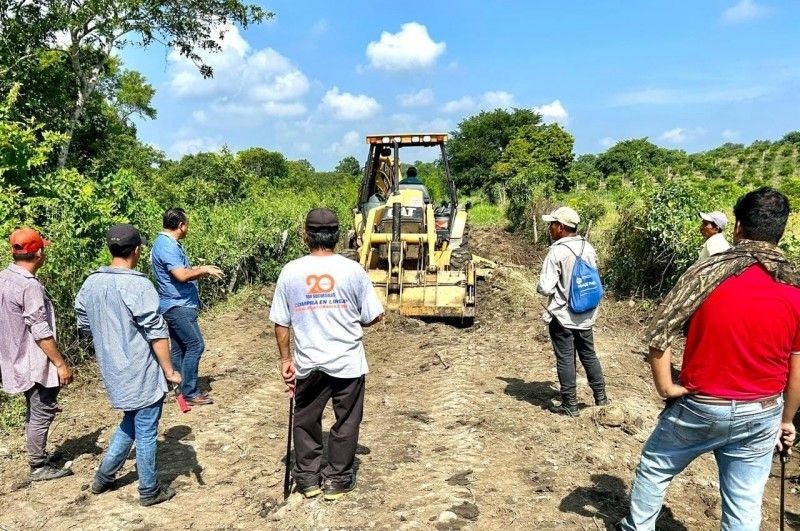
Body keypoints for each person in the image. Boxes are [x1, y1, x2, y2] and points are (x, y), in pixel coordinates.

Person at [619, 187, 800, 530]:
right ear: (780, 231)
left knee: (655, 467)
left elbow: (660, 333)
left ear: (738, 228)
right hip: (762, 411)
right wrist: (787, 419)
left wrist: (666, 387)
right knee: (745, 499)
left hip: (700, 404)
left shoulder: (706, 273)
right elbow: (797, 362)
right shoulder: (794, 283)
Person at [270, 208, 384, 501]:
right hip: (347, 361)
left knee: (306, 421)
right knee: (346, 421)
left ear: (306, 235)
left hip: (308, 363)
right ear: (336, 235)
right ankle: (337, 479)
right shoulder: (353, 270)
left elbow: (281, 323)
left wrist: (286, 360)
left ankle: (307, 480)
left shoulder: (290, 272)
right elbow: (374, 316)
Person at [75, 223, 182, 507]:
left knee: (131, 421)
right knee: (146, 428)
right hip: (140, 369)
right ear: (136, 250)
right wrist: (170, 370)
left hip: (113, 368)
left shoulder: (91, 283)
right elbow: (156, 332)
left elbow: (84, 323)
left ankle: (104, 477)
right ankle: (149, 490)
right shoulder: (137, 284)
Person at [0, 228, 74, 481]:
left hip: (13, 357)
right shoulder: (29, 286)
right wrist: (60, 364)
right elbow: (40, 330)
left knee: (33, 409)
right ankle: (37, 464)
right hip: (34, 359)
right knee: (42, 409)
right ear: (39, 253)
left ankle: (37, 452)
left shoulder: (3, 278)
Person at [537, 206, 608, 417]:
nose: (549, 228)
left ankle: (570, 404)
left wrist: (539, 286)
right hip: (586, 313)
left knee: (566, 358)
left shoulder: (556, 252)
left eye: (552, 224)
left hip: (563, 316)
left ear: (560, 227)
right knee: (589, 354)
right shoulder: (588, 247)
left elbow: (546, 287)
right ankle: (601, 398)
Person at [150, 208, 223, 407]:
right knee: (195, 344)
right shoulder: (167, 246)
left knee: (180, 348)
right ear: (181, 225)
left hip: (177, 304)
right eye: (187, 224)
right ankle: (190, 391)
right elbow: (181, 275)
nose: (187, 227)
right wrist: (204, 270)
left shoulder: (167, 244)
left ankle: (180, 387)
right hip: (177, 304)